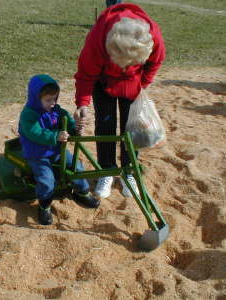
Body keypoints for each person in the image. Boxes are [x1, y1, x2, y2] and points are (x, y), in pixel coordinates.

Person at [73, 3, 165, 199]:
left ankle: (129, 170)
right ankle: (107, 170)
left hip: (133, 83)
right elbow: (85, 74)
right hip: (103, 81)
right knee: (105, 125)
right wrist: (82, 103)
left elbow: (156, 62)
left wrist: (143, 85)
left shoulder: (152, 34)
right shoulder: (98, 38)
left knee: (131, 127)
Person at [19, 74, 100, 225]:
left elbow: (67, 121)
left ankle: (81, 192)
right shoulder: (28, 115)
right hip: (38, 154)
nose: (52, 103)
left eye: (55, 99)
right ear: (36, 98)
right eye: (48, 100)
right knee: (46, 180)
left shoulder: (57, 110)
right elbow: (34, 133)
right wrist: (56, 136)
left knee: (77, 167)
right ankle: (44, 205)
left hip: (56, 151)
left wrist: (75, 128)